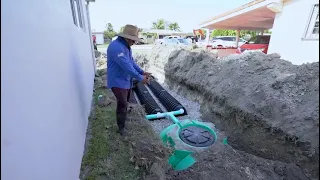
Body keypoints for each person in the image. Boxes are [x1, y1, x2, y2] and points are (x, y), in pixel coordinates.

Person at [107, 24, 151, 136]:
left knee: (125, 103)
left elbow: (131, 63)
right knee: (122, 105)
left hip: (125, 81)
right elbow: (126, 66)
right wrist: (141, 78)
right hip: (117, 82)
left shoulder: (126, 47)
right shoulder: (116, 47)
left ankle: (123, 121)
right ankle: (121, 129)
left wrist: (142, 72)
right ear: (127, 38)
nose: (134, 42)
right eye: (133, 40)